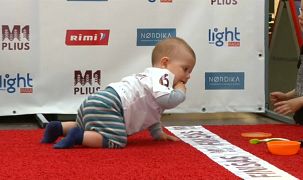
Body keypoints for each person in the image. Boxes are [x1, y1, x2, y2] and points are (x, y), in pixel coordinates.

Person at [41, 37, 196, 148]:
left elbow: (152, 113)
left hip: (98, 102)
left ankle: (58, 128)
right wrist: (180, 91)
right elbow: (167, 101)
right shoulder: (162, 76)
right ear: (164, 63)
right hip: (112, 105)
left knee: (91, 125)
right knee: (116, 140)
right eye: (185, 69)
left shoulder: (152, 79)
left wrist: (157, 134)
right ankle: (78, 137)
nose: (188, 76)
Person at [270, 0, 303, 130]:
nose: (301, 16)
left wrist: (299, 102)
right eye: (301, 10)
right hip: (302, 120)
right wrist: (288, 96)